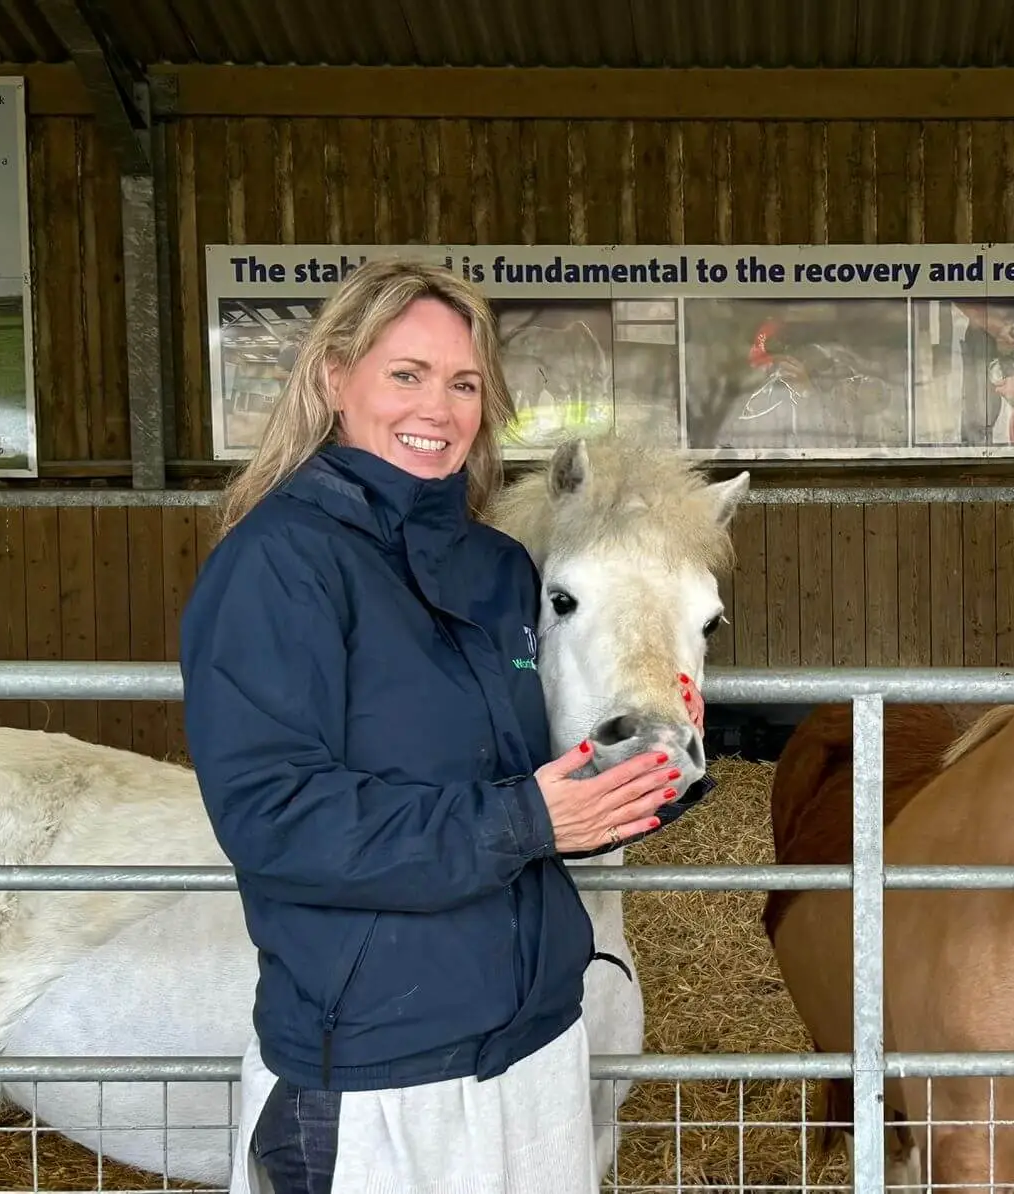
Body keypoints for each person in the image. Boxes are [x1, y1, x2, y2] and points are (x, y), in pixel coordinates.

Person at [180, 258, 709, 1194]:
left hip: (535, 1042)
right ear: (336, 377)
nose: (440, 406)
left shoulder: (497, 567)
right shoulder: (278, 565)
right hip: (381, 1068)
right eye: (407, 374)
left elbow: (537, 773)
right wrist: (529, 822)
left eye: (464, 383)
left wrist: (645, 773)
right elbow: (274, 817)